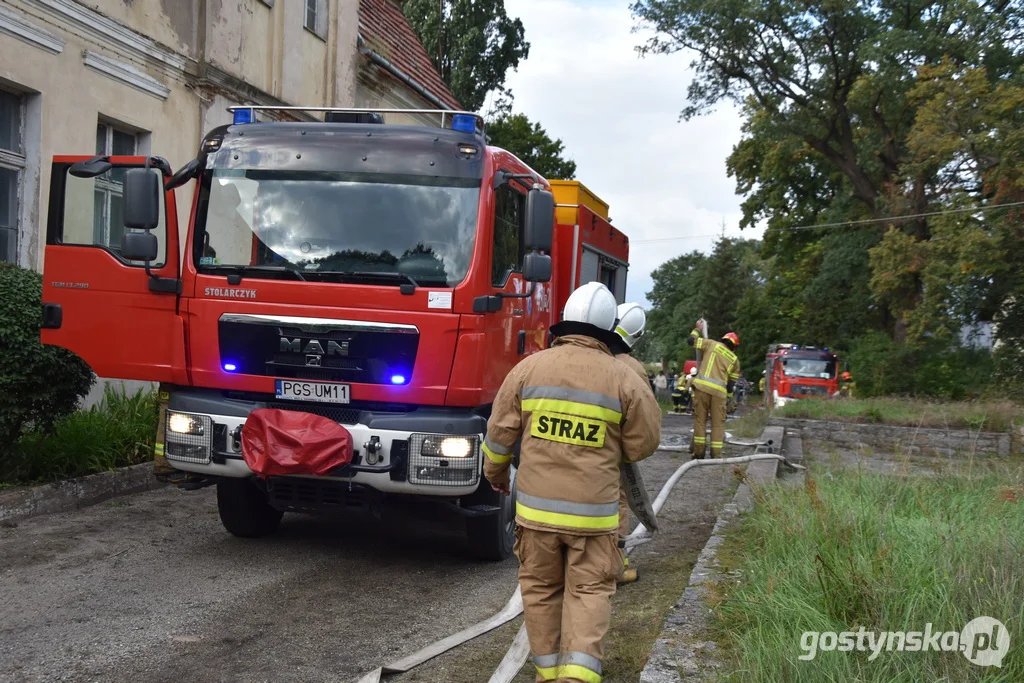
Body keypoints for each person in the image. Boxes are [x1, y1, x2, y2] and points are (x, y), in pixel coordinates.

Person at [483, 282, 662, 683]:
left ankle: (546, 673)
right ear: (606, 328)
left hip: (535, 517)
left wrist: (495, 476)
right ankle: (577, 677)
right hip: (594, 522)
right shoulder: (625, 377)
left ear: (565, 320)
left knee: (542, 590)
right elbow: (643, 444)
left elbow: (498, 438)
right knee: (589, 592)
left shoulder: (528, 368)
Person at [609, 301, 653, 586]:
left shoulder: (589, 358)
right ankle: (616, 565)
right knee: (617, 503)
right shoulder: (633, 368)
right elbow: (645, 425)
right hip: (614, 454)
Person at [686, 321, 741, 459]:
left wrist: (697, 329)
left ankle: (699, 453)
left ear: (723, 340)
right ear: (734, 347)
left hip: (702, 389)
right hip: (719, 394)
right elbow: (730, 385)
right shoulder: (735, 360)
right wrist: (729, 398)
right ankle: (716, 455)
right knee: (718, 424)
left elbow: (691, 341)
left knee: (700, 421)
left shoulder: (711, 344)